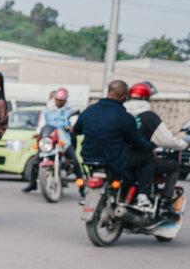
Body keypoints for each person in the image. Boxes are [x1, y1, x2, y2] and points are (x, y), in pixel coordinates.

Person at [73, 80, 155, 211]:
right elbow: (138, 142)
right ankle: (142, 197)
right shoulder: (124, 116)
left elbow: (76, 131)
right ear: (122, 95)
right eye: (127, 95)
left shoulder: (89, 111)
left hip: (89, 159)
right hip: (114, 161)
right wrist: (150, 146)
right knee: (148, 157)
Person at [125, 81, 188, 205]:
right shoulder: (149, 117)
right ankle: (165, 200)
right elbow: (167, 141)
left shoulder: (119, 113)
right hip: (139, 159)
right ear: (147, 98)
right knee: (173, 166)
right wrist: (183, 145)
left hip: (116, 158)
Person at [23, 87, 83, 196]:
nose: (59, 102)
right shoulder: (47, 111)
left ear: (65, 100)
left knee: (75, 163)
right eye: (57, 100)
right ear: (54, 99)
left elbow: (74, 123)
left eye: (61, 101)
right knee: (35, 161)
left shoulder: (69, 111)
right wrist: (37, 132)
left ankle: (82, 188)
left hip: (64, 141)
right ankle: (32, 183)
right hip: (49, 141)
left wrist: (71, 127)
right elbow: (41, 125)